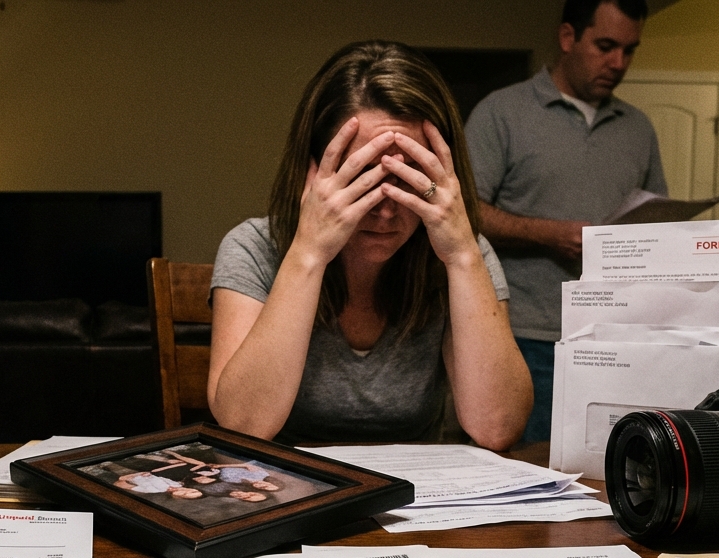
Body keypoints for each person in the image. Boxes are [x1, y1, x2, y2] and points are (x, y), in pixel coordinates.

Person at [209, 40, 532, 449]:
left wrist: (463, 256)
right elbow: (243, 425)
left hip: (416, 497)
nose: (385, 209)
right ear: (313, 170)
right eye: (362, 176)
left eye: (411, 176)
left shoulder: (464, 252)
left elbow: (498, 426)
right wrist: (309, 253)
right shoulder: (253, 246)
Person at [464, 0, 665, 444]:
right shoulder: (501, 112)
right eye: (606, 46)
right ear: (568, 37)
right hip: (526, 336)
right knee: (521, 472)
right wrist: (551, 234)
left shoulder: (639, 128)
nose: (618, 63)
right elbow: (464, 212)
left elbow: (656, 218)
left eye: (629, 50)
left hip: (614, 340)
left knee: (606, 472)